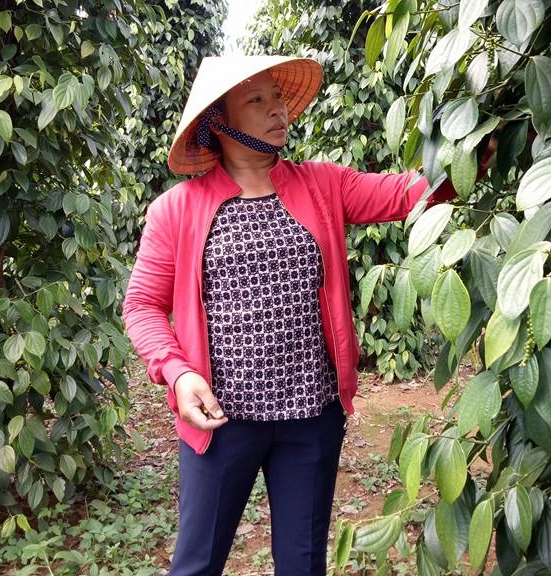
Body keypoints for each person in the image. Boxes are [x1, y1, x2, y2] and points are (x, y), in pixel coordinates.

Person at [121, 55, 495, 575]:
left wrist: (476, 150)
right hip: (221, 421)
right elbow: (141, 305)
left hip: (310, 418)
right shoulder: (175, 210)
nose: (276, 109)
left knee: (302, 564)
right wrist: (178, 373)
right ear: (218, 122)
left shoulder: (323, 184)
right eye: (256, 100)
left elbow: (404, 193)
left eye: (277, 96)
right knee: (197, 564)